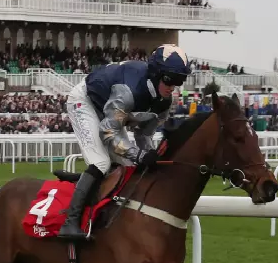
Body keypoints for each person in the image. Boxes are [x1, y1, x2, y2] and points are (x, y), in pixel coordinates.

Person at [57, 44, 190, 239]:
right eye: (170, 79)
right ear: (156, 74)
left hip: (110, 110)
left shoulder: (164, 102)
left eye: (179, 81)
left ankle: (92, 192)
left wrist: (149, 157)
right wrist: (140, 155)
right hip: (86, 101)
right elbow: (108, 132)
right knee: (100, 162)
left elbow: (143, 135)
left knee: (129, 167)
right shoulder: (128, 92)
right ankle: (70, 222)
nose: (173, 87)